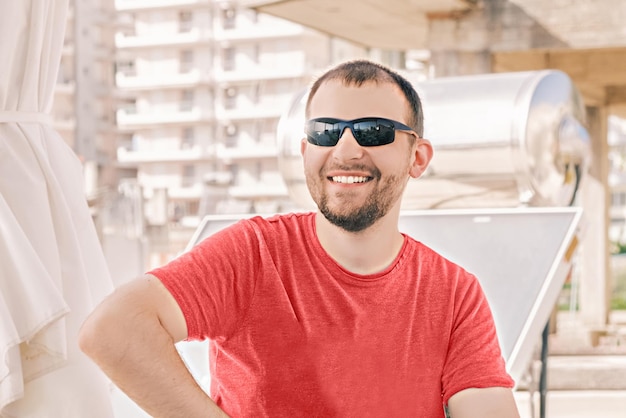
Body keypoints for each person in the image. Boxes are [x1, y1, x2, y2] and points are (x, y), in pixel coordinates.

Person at [79, 59, 520, 418]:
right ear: (306, 150)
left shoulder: (454, 292)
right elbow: (114, 330)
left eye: (373, 131)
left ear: (417, 157)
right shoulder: (253, 254)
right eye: (325, 131)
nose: (346, 149)